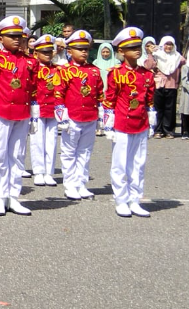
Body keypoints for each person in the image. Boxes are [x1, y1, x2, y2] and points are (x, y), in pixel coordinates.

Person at [0, 16, 39, 216]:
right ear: (0, 37)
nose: (16, 40)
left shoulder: (30, 62)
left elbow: (34, 88)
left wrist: (34, 115)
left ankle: (13, 196)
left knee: (17, 156)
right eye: (11, 36)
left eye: (19, 36)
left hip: (21, 113)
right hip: (0, 112)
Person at [102, 27, 156, 217]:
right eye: (131, 47)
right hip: (123, 124)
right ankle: (121, 199)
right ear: (122, 51)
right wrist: (108, 125)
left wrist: (151, 120)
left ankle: (135, 199)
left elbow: (149, 101)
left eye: (138, 46)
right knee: (120, 164)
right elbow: (109, 100)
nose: (137, 50)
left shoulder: (147, 74)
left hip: (140, 123)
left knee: (139, 164)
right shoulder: (116, 73)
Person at [55, 30, 104, 200]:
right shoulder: (64, 71)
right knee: (69, 152)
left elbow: (99, 95)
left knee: (85, 152)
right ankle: (69, 185)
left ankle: (81, 183)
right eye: (79, 48)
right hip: (72, 117)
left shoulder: (95, 71)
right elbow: (58, 94)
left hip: (89, 116)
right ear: (69, 51)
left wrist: (101, 116)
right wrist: (62, 117)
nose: (84, 51)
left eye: (86, 48)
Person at [28, 35, 60, 187]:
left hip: (52, 108)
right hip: (38, 108)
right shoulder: (33, 69)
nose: (47, 54)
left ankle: (49, 172)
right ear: (36, 54)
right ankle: (39, 171)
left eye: (49, 51)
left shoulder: (57, 69)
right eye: (44, 52)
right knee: (37, 141)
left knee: (51, 141)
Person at [151, 36, 184, 138]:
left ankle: (169, 130)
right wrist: (151, 53)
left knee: (170, 109)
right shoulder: (156, 55)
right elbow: (148, 65)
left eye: (170, 45)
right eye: (166, 44)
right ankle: (158, 130)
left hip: (172, 85)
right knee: (158, 108)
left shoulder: (178, 57)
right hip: (158, 85)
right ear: (162, 45)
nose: (168, 47)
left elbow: (185, 62)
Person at [93, 43, 121, 136]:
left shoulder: (116, 63)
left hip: (111, 89)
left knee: (110, 108)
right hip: (99, 89)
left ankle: (110, 126)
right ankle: (99, 128)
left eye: (107, 52)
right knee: (99, 109)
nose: (105, 54)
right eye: (103, 52)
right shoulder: (95, 63)